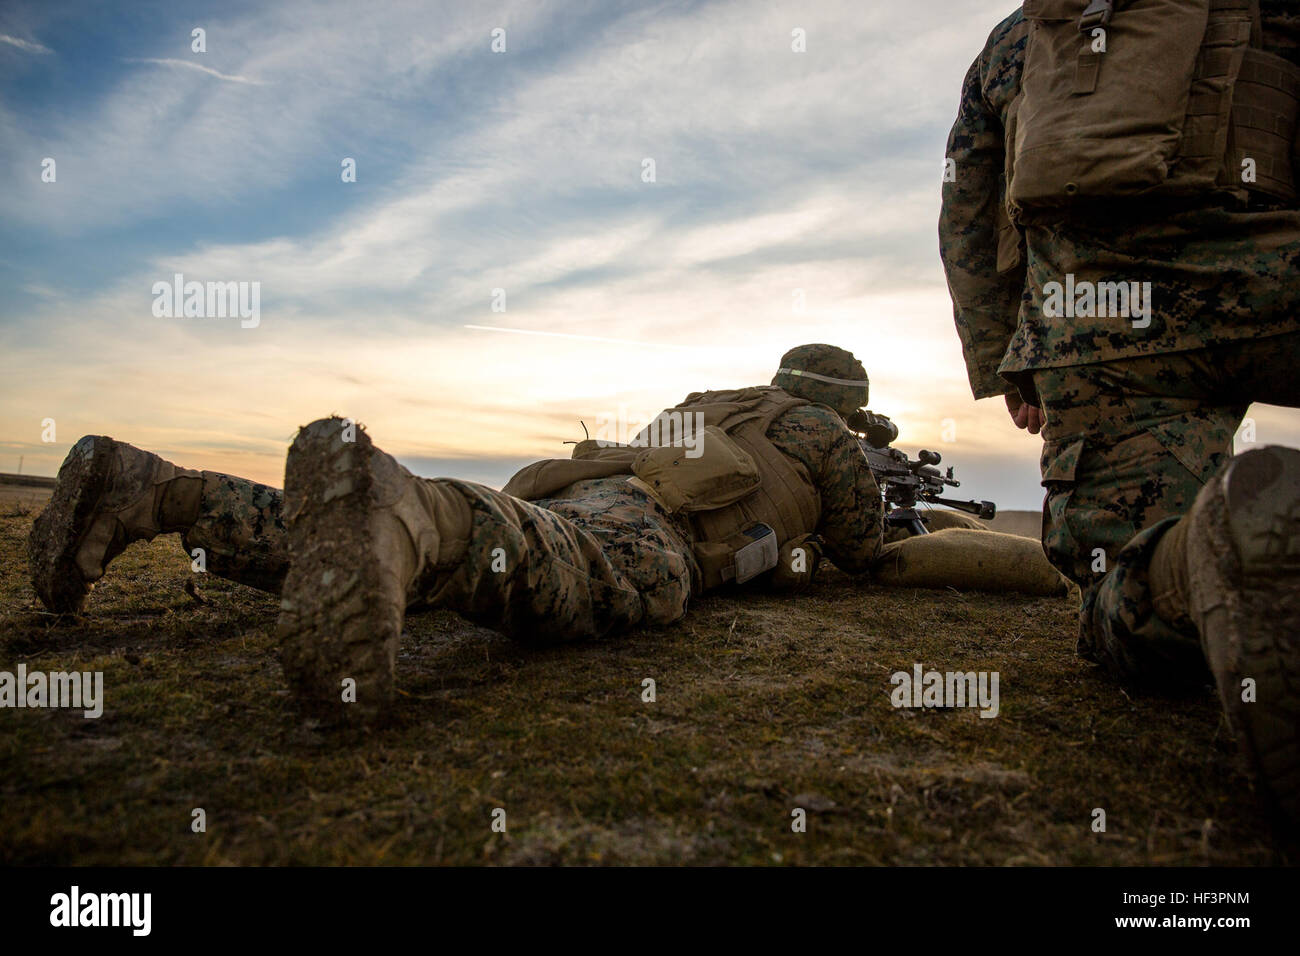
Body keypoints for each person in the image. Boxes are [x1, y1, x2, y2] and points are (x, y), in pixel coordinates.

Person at [28, 344, 884, 724]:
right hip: (648, 520)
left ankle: (158, 494)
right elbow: (864, 548)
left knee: (387, 560)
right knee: (598, 574)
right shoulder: (820, 432)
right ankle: (405, 510)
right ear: (843, 403)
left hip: (585, 487)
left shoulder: (712, 402)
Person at [940, 0, 1300, 822]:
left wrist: (1010, 354)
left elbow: (966, 209)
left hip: (1099, 325)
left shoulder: (1025, 33)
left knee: (1130, 587)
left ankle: (1201, 560)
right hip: (1280, 274)